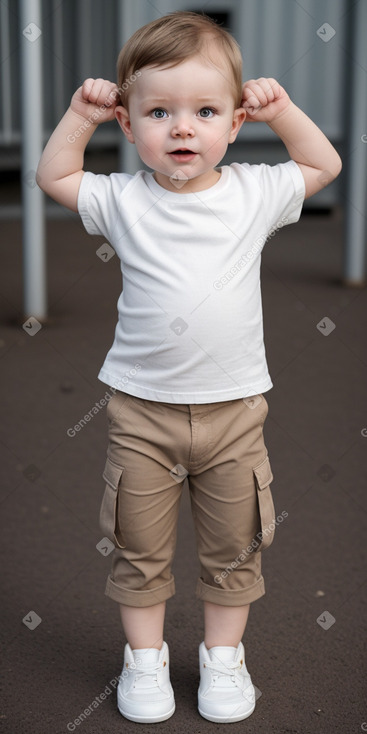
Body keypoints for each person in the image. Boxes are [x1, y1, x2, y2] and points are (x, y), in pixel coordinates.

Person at [37, 10, 341, 725]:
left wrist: (285, 111)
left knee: (235, 547)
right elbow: (54, 173)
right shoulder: (121, 200)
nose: (181, 128)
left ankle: (221, 659)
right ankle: (142, 663)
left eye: (204, 112)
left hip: (236, 414)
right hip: (141, 414)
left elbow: (322, 164)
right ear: (128, 123)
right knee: (138, 548)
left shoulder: (254, 192)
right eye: (159, 112)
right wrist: (80, 115)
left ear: (234, 125)